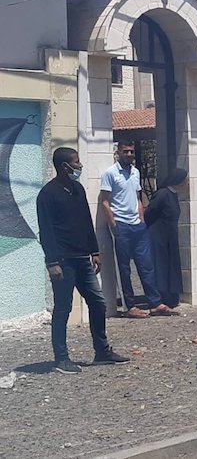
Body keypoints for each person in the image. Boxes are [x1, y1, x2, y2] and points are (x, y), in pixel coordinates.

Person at [36, 147, 130, 374]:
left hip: (82, 259)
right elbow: (46, 231)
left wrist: (95, 251)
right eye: (76, 163)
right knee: (63, 309)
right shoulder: (47, 195)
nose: (79, 166)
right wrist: (52, 262)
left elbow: (86, 221)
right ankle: (61, 359)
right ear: (64, 166)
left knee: (98, 303)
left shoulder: (77, 189)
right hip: (62, 261)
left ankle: (102, 351)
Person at [99, 141, 177, 318]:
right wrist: (114, 225)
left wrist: (141, 221)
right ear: (118, 152)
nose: (128, 154)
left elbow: (137, 197)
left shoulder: (135, 173)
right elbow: (104, 201)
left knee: (147, 265)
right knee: (124, 269)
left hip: (138, 226)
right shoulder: (110, 173)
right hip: (121, 225)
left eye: (131, 151)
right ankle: (130, 306)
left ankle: (155, 303)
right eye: (125, 151)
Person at [145, 168, 188, 309]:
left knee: (171, 265)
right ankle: (160, 297)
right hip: (159, 236)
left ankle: (171, 296)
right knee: (161, 265)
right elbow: (149, 213)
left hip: (170, 236)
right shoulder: (163, 194)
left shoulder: (173, 195)